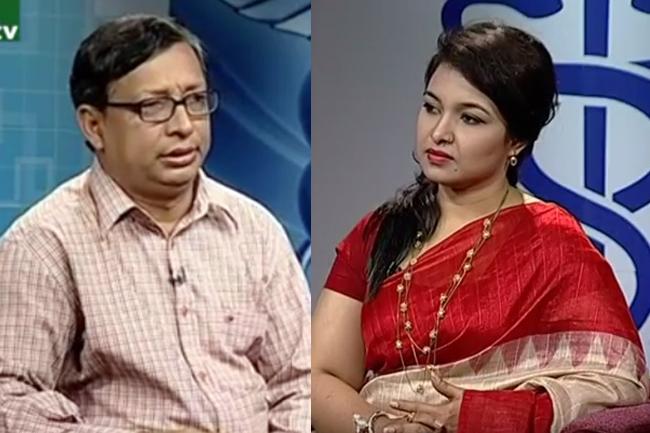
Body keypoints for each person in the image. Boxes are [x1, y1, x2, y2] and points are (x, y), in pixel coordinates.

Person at [312, 22, 648, 433]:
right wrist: (382, 427)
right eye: (431, 107)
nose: (439, 133)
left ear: (516, 141)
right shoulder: (378, 234)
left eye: (469, 118)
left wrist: (485, 416)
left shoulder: (553, 241)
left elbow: (619, 384)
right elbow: (320, 376)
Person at [0, 14, 310, 433]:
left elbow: (298, 382)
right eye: (154, 107)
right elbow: (10, 399)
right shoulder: (44, 244)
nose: (183, 126)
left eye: (195, 100)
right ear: (94, 125)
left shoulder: (254, 229)